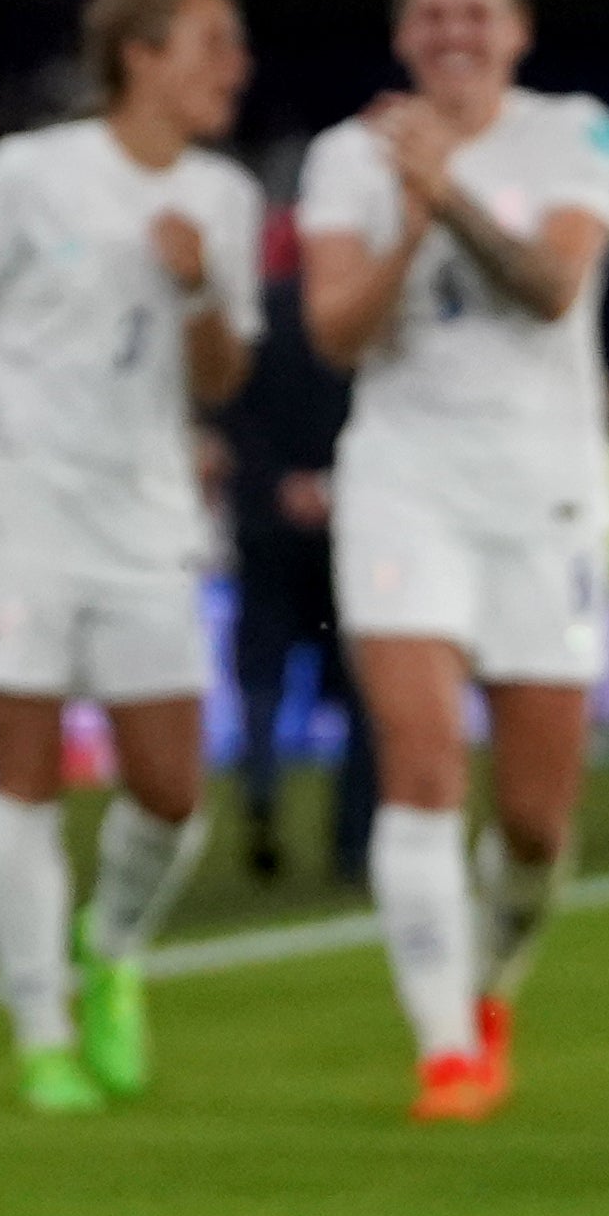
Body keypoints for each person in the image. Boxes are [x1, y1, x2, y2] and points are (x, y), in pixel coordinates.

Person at [0, 0, 262, 1116]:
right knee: (23, 768)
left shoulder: (224, 197)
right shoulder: (32, 170)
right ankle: (40, 1030)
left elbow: (220, 378)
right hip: (17, 506)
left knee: (169, 790)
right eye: (215, 45)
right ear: (142, 55)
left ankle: (113, 943)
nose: (237, 68)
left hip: (145, 519)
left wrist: (202, 282)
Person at [299, 0, 609, 1125]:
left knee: (537, 823)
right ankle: (444, 1045)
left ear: (516, 31)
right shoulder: (350, 157)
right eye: (433, 15)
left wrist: (448, 197)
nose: (454, 35)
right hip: (405, 476)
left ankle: (490, 980)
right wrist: (406, 211)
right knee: (423, 757)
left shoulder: (573, 134)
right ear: (402, 31)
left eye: (475, 16)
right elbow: (337, 330)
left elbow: (551, 287)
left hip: (544, 491)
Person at [215, 204, 373, 884]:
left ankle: (260, 788)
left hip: (265, 527)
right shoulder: (357, 324)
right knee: (366, 687)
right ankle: (354, 838)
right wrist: (332, 483)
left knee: (263, 680)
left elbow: (226, 417)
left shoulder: (251, 324)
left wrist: (275, 484)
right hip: (348, 530)